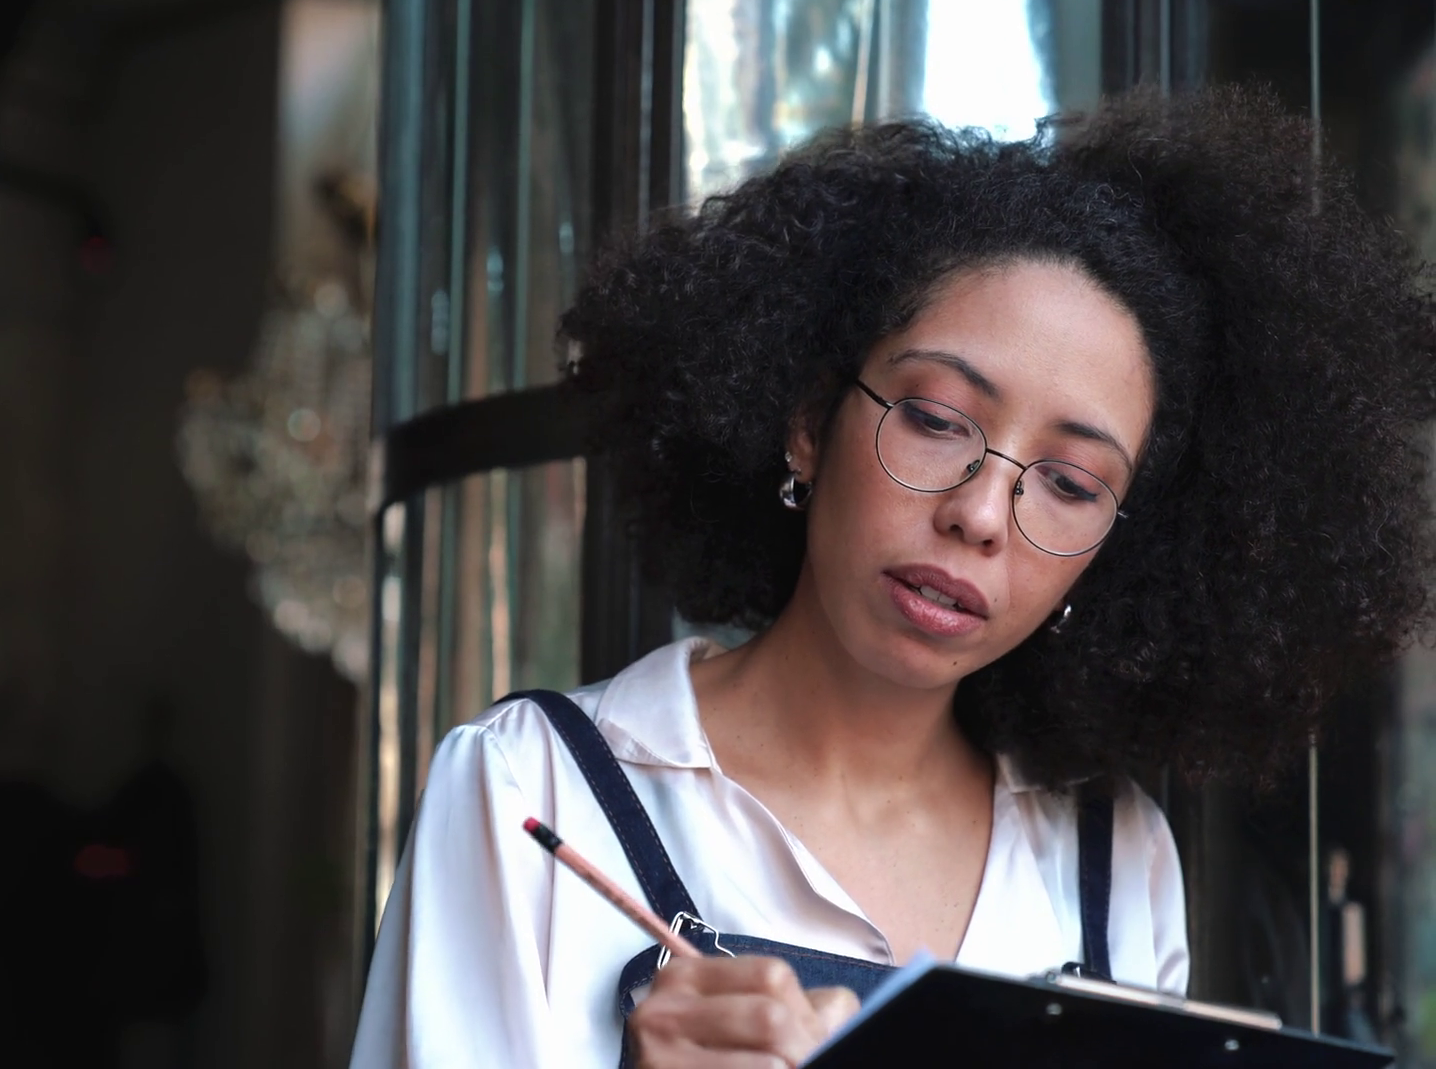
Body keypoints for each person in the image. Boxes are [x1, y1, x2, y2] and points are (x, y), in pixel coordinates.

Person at [348, 85, 1436, 1068]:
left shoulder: (1115, 862)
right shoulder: (531, 789)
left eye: (1069, 483)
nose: (979, 515)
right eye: (935, 419)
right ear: (808, 422)